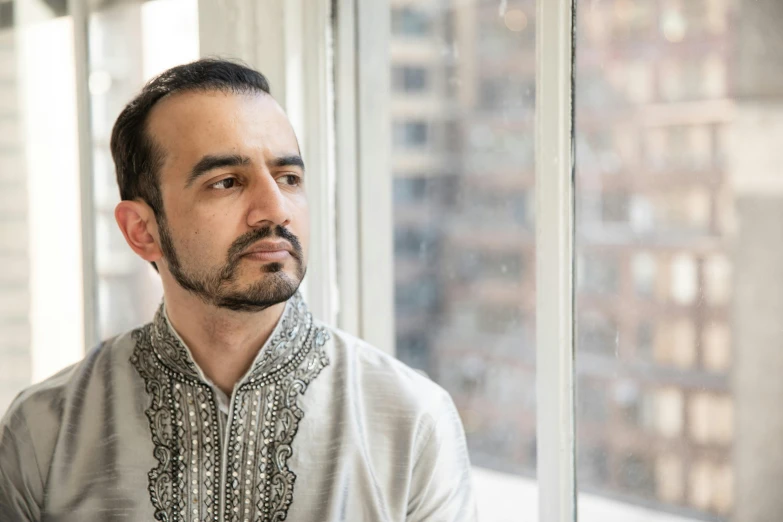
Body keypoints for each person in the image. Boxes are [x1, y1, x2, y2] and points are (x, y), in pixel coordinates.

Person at [0, 59, 477, 521]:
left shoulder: (411, 421)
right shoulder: (45, 431)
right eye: (226, 182)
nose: (275, 209)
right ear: (142, 230)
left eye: (289, 178)